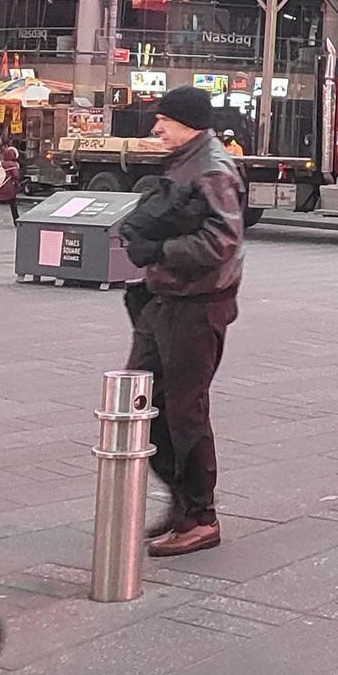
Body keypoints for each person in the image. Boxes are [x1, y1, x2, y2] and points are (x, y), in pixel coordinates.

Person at [122, 85, 244, 557]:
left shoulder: (212, 168)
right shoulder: (188, 160)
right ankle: (181, 504)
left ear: (188, 123)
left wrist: (160, 250)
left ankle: (200, 517)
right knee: (143, 401)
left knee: (183, 410)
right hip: (167, 299)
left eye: (164, 120)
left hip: (196, 304)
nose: (156, 127)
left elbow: (221, 241)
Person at [0, 144, 22, 227]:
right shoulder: (13, 165)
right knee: (13, 205)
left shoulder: (1, 163)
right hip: (9, 188)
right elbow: (16, 176)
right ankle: (16, 221)